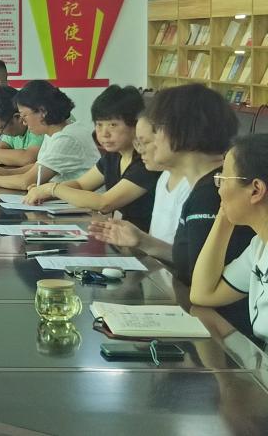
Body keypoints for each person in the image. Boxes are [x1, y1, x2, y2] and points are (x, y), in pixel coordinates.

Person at [90, 84, 254, 332]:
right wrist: (143, 241)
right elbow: (192, 261)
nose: (151, 141)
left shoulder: (212, 193)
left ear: (182, 132)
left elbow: (202, 283)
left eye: (157, 131)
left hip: (223, 327)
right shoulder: (201, 187)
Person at [24, 85, 161, 232]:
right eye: (99, 125)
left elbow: (105, 203)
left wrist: (52, 189)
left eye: (113, 125)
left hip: (143, 240)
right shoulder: (114, 156)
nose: (104, 133)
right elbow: (81, 184)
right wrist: (44, 192)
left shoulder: (146, 163)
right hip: (119, 235)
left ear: (136, 125)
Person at [191, 134, 268, 345]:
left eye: (223, 179)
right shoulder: (259, 246)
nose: (219, 189)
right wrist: (224, 218)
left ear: (256, 190)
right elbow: (203, 294)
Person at [0, 80, 98, 190]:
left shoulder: (66, 138)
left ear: (42, 112)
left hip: (82, 206)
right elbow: (39, 168)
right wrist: (2, 172)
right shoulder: (53, 133)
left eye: (24, 115)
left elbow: (26, 182)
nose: (23, 122)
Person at [135, 113, 192, 244]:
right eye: (138, 143)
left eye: (146, 142)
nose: (140, 151)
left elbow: (183, 252)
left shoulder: (191, 184)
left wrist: (140, 240)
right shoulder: (164, 177)